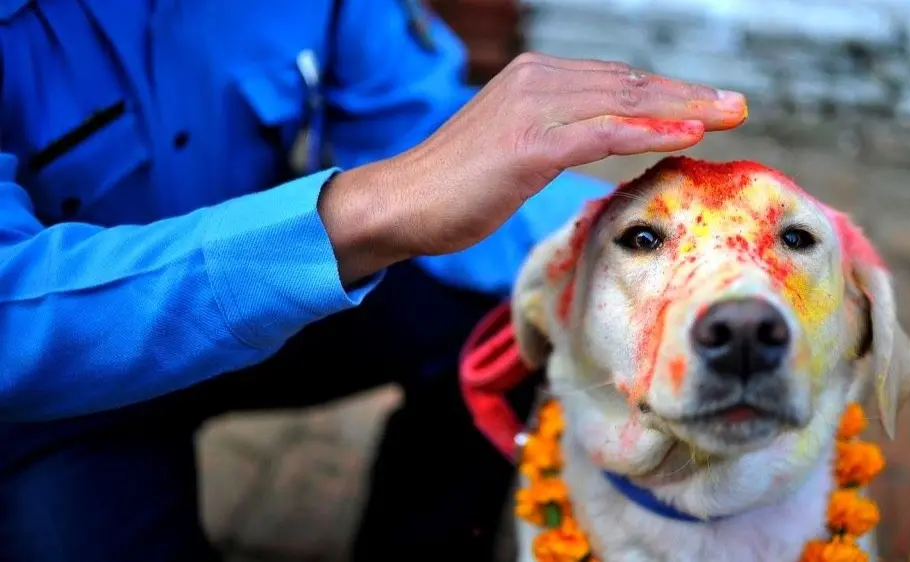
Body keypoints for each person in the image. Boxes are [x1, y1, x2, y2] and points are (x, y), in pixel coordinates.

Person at [0, 1, 749, 561]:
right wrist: (360, 214)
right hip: (57, 400)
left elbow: (417, 130)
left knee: (518, 314)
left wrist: (648, 256)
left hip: (272, 303)